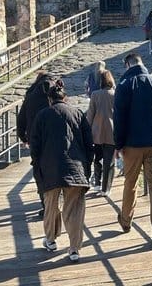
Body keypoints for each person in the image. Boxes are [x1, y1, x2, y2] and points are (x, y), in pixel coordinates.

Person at [113, 53, 152, 249]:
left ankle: (126, 220)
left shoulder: (124, 85)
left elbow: (119, 118)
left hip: (132, 144)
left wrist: (118, 144)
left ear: (127, 65)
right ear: (141, 63)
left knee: (130, 183)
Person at [30, 80, 93, 263]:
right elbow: (89, 143)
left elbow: (35, 146)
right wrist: (87, 165)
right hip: (75, 167)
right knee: (75, 209)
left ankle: (50, 239)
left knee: (50, 205)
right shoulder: (77, 113)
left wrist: (37, 165)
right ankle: (74, 248)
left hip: (50, 168)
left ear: (50, 100)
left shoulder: (42, 115)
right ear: (65, 98)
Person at [17, 70, 55, 217]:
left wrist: (23, 137)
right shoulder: (56, 90)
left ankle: (45, 204)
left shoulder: (31, 94)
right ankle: (57, 200)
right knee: (56, 167)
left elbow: (21, 118)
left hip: (35, 138)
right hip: (54, 137)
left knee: (39, 170)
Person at [86, 69, 116, 196]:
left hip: (96, 132)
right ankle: (106, 188)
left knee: (97, 158)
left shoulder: (95, 94)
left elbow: (90, 114)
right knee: (109, 162)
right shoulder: (115, 94)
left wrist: (87, 130)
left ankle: (97, 183)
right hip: (111, 132)